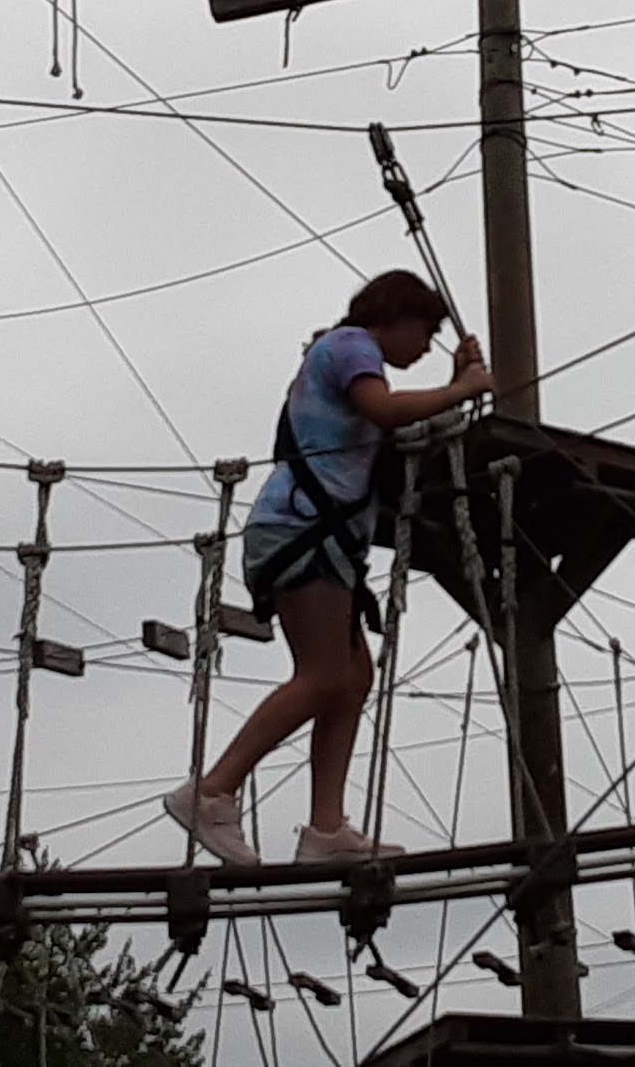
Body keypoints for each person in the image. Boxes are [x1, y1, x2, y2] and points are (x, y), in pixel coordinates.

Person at [164, 271, 492, 864]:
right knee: (320, 676)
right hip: (301, 531)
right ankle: (211, 791)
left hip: (318, 535)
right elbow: (384, 410)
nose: (427, 345)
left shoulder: (347, 355)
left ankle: (327, 827)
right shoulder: (349, 346)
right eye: (425, 332)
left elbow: (388, 418)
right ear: (395, 317)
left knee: (352, 678)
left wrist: (453, 387)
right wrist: (461, 389)